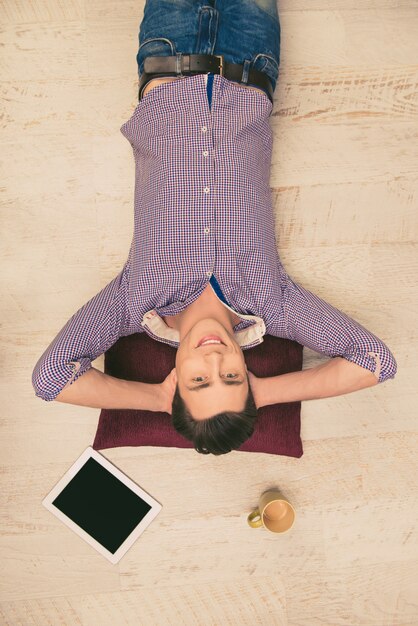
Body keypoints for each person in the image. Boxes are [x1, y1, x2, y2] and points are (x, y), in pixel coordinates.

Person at [32, 0, 397, 455]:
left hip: (170, 51)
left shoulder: (135, 301)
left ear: (176, 379)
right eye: (231, 377)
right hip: (252, 57)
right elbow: (376, 363)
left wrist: (153, 399)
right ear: (247, 371)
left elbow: (49, 379)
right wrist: (264, 394)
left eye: (199, 380)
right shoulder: (272, 302)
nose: (214, 357)